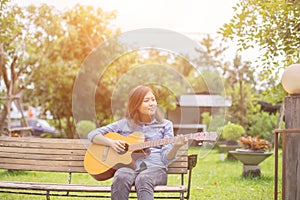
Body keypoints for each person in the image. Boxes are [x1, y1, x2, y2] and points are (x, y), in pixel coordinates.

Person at [87, 85, 187, 200]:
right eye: (146, 101)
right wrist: (111, 143)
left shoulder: (165, 125)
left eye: (153, 99)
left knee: (143, 178)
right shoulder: (123, 124)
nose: (152, 103)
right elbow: (93, 134)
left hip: (155, 169)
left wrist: (176, 147)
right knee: (120, 176)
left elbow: (165, 159)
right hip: (130, 167)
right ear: (136, 105)